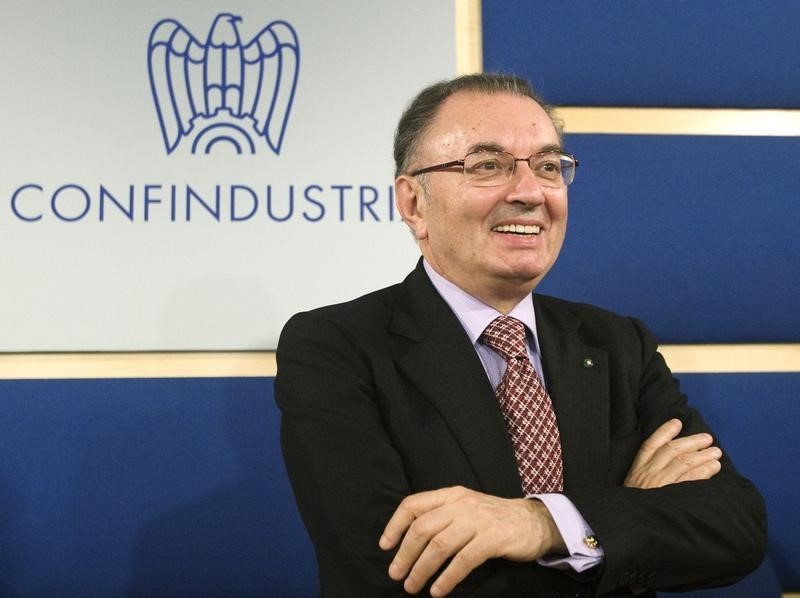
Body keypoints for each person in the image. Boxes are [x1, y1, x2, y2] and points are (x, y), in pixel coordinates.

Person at [274, 73, 766, 597]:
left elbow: (734, 528)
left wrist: (543, 525)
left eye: (549, 167)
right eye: (488, 166)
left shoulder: (617, 343)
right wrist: (616, 521)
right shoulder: (335, 347)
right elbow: (394, 573)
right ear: (414, 203)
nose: (531, 192)